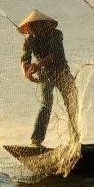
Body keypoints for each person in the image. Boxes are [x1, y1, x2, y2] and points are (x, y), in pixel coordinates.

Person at [19, 10, 78, 147]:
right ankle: (36, 141)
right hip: (45, 74)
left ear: (44, 24)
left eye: (37, 25)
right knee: (47, 104)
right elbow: (24, 61)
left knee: (72, 102)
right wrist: (27, 72)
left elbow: (54, 55)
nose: (34, 29)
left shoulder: (56, 34)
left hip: (62, 72)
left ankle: (74, 139)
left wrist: (37, 66)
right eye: (32, 27)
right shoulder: (29, 41)